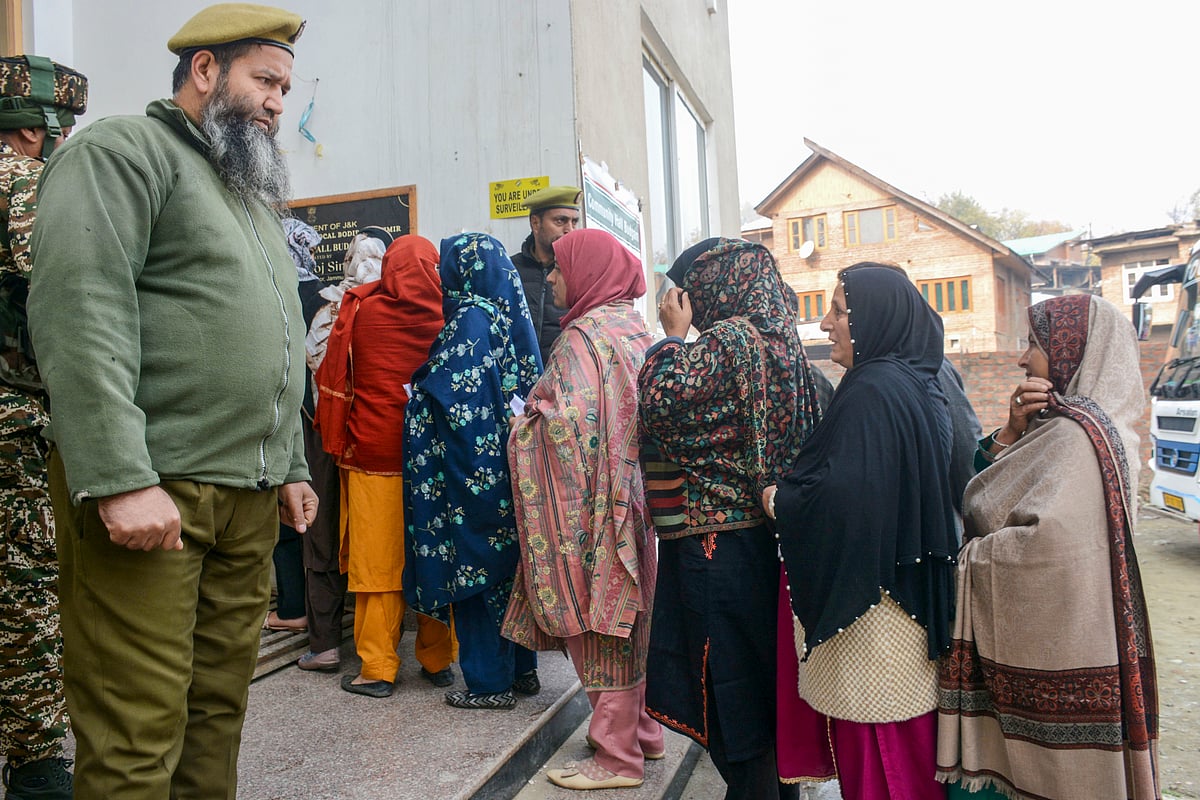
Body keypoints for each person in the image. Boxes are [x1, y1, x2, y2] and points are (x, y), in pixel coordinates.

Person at [26, 5, 317, 798]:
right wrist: (120, 475)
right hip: (157, 490)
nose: (276, 103)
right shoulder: (124, 152)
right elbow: (81, 307)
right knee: (137, 725)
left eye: (285, 88)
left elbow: (281, 339)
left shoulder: (248, 197)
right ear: (204, 70)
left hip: (246, 500)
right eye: (265, 80)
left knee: (216, 716)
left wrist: (290, 462)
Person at [936, 294, 1159, 800]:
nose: (1021, 359)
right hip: (1085, 642)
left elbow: (1043, 544)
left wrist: (968, 558)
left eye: (1033, 344)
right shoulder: (1098, 428)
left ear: (1069, 353)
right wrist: (1014, 431)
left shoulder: (1073, 438)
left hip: (1049, 658)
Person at [765, 264, 958, 800]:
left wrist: (780, 500)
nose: (826, 324)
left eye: (839, 312)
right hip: (903, 604)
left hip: (877, 623)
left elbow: (848, 497)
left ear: (873, 319)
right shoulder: (907, 381)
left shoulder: (873, 388)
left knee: (883, 767)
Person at [639, 238, 820, 799]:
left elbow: (661, 399)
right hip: (767, 543)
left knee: (728, 689)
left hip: (717, 547)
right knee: (761, 688)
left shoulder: (729, 341)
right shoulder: (785, 342)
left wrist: (671, 338)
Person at [503, 228, 662, 790]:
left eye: (560, 268)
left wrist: (524, 420)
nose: (549, 277)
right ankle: (643, 733)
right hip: (634, 504)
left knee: (594, 621)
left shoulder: (581, 339)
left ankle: (617, 759)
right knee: (629, 621)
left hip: (591, 511)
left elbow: (563, 427)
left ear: (588, 273)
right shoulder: (632, 328)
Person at [314, 234, 456, 698]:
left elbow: (336, 377)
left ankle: (377, 667)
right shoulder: (449, 316)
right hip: (431, 461)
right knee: (432, 557)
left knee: (378, 565)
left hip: (373, 455)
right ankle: (438, 660)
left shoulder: (364, 310)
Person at [404, 232, 542, 710]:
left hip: (472, 475)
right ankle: (522, 671)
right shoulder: (504, 317)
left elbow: (453, 400)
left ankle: (489, 684)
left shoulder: (468, 320)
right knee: (511, 573)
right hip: (506, 470)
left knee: (476, 573)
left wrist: (418, 389)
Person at [0, 53, 86, 800]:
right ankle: (34, 762)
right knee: (26, 588)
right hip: (15, 427)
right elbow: (75, 297)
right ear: (36, 133)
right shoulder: (25, 186)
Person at [298, 225, 390, 671]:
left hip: (325, 434)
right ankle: (383, 647)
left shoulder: (330, 306)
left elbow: (312, 364)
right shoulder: (401, 307)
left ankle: (327, 643)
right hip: (381, 440)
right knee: (378, 538)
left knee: (323, 532)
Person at [264, 217, 325, 636]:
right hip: (330, 421)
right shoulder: (330, 295)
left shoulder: (273, 288)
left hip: (289, 416)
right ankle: (323, 609)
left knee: (287, 514)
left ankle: (291, 606)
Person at [510, 185, 580, 365]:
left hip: (562, 380)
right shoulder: (509, 270)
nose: (569, 230)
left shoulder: (580, 274)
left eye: (574, 222)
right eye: (560, 221)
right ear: (535, 223)